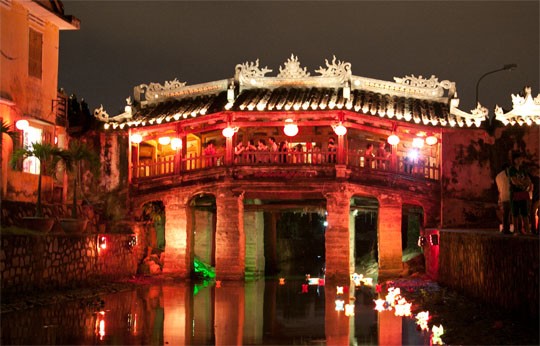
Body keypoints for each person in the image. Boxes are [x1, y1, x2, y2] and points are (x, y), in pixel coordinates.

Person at [507, 152, 532, 235]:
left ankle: (527, 230)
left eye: (520, 158)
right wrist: (523, 183)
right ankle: (516, 231)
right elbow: (514, 181)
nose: (519, 160)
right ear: (513, 160)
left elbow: (529, 180)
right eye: (517, 159)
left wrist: (522, 183)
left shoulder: (523, 169)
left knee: (525, 213)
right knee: (515, 213)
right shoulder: (511, 169)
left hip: (523, 193)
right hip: (515, 193)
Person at [495, 163, 512, 234]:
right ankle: (507, 229)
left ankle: (505, 229)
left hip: (502, 196)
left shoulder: (498, 176)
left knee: (505, 214)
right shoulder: (508, 174)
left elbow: (498, 188)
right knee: (510, 214)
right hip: (509, 196)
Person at [527, 164, 539, 235]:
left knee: (532, 213)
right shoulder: (537, 179)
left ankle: (534, 229)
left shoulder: (535, 179)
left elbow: (529, 175)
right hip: (537, 198)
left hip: (536, 198)